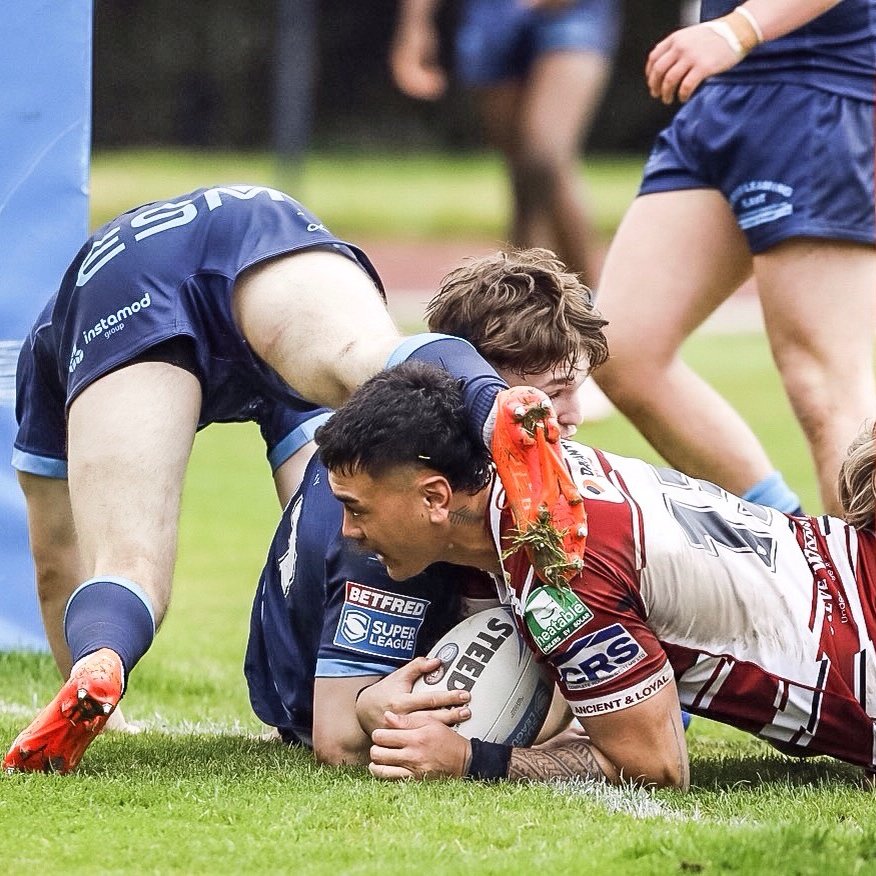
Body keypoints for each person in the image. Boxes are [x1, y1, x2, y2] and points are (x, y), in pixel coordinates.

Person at [3, 183, 512, 774]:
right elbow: (328, 526)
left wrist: (92, 669)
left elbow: (53, 566)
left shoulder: (48, 345)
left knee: (127, 565)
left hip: (118, 291)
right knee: (360, 413)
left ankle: (102, 661)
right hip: (262, 234)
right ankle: (498, 406)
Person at [314, 359, 876, 786]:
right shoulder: (535, 488)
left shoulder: (559, 569)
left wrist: (468, 759)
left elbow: (657, 765)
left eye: (357, 507)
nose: (347, 532)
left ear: (436, 498)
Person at [245, 247, 610, 765]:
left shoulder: (436, 468)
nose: (568, 416)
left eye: (577, 390)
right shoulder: (391, 506)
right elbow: (338, 740)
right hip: (315, 697)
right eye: (554, 392)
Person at [591, 0, 876, 518]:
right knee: (623, 348)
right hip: (722, 91)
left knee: (825, 385)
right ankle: (791, 541)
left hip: (819, 83)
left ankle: (864, 587)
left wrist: (736, 29)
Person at [390, 0, 620, 287]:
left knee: (544, 154)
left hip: (572, 11)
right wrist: (415, 25)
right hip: (492, 12)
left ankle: (589, 301)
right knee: (522, 178)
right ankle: (526, 305)